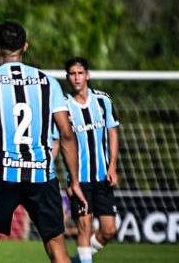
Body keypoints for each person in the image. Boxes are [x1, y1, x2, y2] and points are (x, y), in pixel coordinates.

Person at [0, 21, 88, 263]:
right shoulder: (48, 82)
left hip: (0, 174)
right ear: (25, 47)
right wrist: (75, 181)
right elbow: (67, 133)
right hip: (40, 173)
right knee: (56, 246)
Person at [59, 57, 120, 263]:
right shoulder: (63, 107)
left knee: (109, 230)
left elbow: (112, 132)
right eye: (72, 74)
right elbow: (57, 141)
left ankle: (76, 261)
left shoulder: (103, 101)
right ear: (67, 77)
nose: (76, 78)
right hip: (79, 180)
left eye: (80, 73)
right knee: (84, 227)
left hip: (103, 177)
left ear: (87, 75)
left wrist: (112, 166)